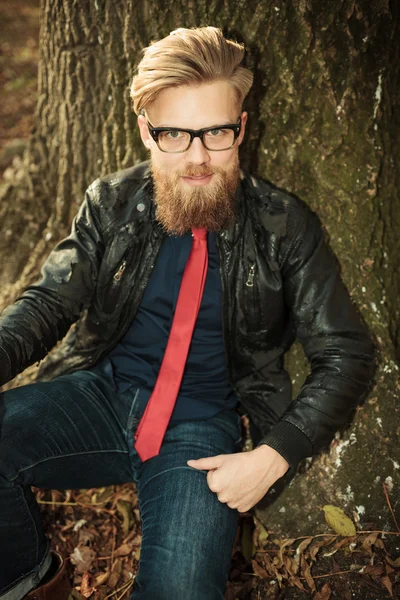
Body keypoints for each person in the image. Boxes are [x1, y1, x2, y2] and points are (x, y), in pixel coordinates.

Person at [0, 26, 375, 600]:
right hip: (102, 398)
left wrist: (274, 456)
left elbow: (345, 352)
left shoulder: (284, 225)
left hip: (198, 429)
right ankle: (32, 580)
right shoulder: (112, 203)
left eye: (216, 133)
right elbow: (49, 302)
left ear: (242, 129)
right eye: (175, 134)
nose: (197, 157)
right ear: (147, 132)